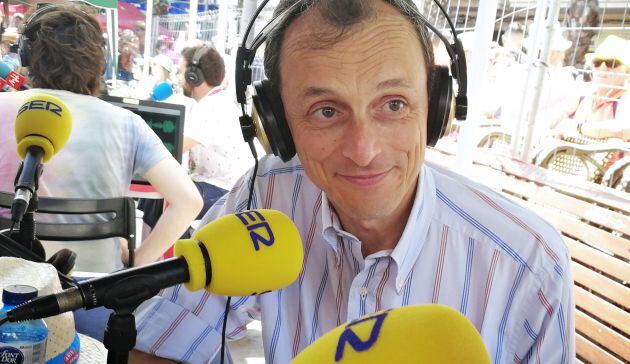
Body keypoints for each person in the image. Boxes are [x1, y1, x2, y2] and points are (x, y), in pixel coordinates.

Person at [131, 1, 575, 363]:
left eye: (394, 104)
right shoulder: (267, 194)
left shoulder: (528, 266)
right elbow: (158, 344)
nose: (363, 150)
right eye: (326, 110)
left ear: (437, 106)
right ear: (276, 125)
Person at [0, 4, 203, 272]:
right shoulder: (128, 124)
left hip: (6, 285)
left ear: (25, 55)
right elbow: (189, 202)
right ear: (100, 63)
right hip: (95, 294)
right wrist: (137, 261)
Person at [178, 45, 252, 219]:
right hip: (224, 189)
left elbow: (175, 147)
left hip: (222, 192)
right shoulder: (218, 101)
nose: (179, 79)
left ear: (194, 76)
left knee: (167, 194)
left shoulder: (211, 107)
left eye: (181, 73)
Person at [551, 35, 630, 141]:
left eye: (611, 63)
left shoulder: (625, 98)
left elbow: (624, 129)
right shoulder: (583, 95)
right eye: (597, 62)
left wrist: (579, 127)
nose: (602, 68)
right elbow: (552, 123)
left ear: (627, 72)